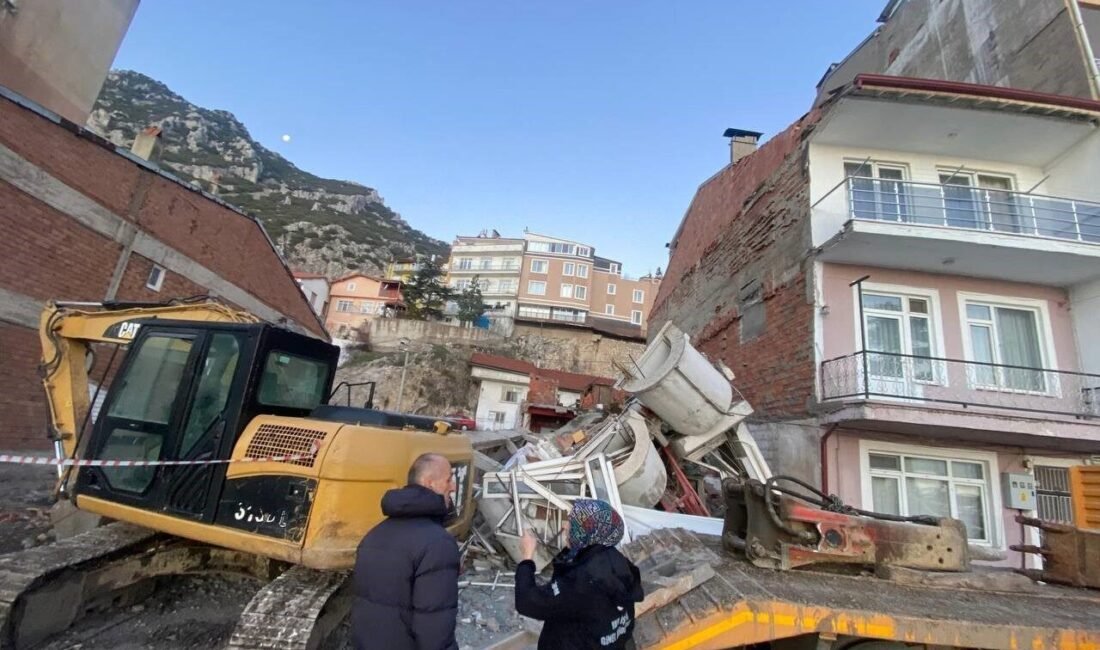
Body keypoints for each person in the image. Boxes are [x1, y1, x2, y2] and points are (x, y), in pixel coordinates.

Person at [351, 453, 459, 650]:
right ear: (429, 483)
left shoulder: (373, 535)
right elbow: (434, 629)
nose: (453, 487)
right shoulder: (438, 543)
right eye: (448, 480)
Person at [515, 499, 644, 650]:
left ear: (586, 532)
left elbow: (528, 603)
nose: (564, 526)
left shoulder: (582, 581)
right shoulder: (617, 561)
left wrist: (527, 558)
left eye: (571, 523)